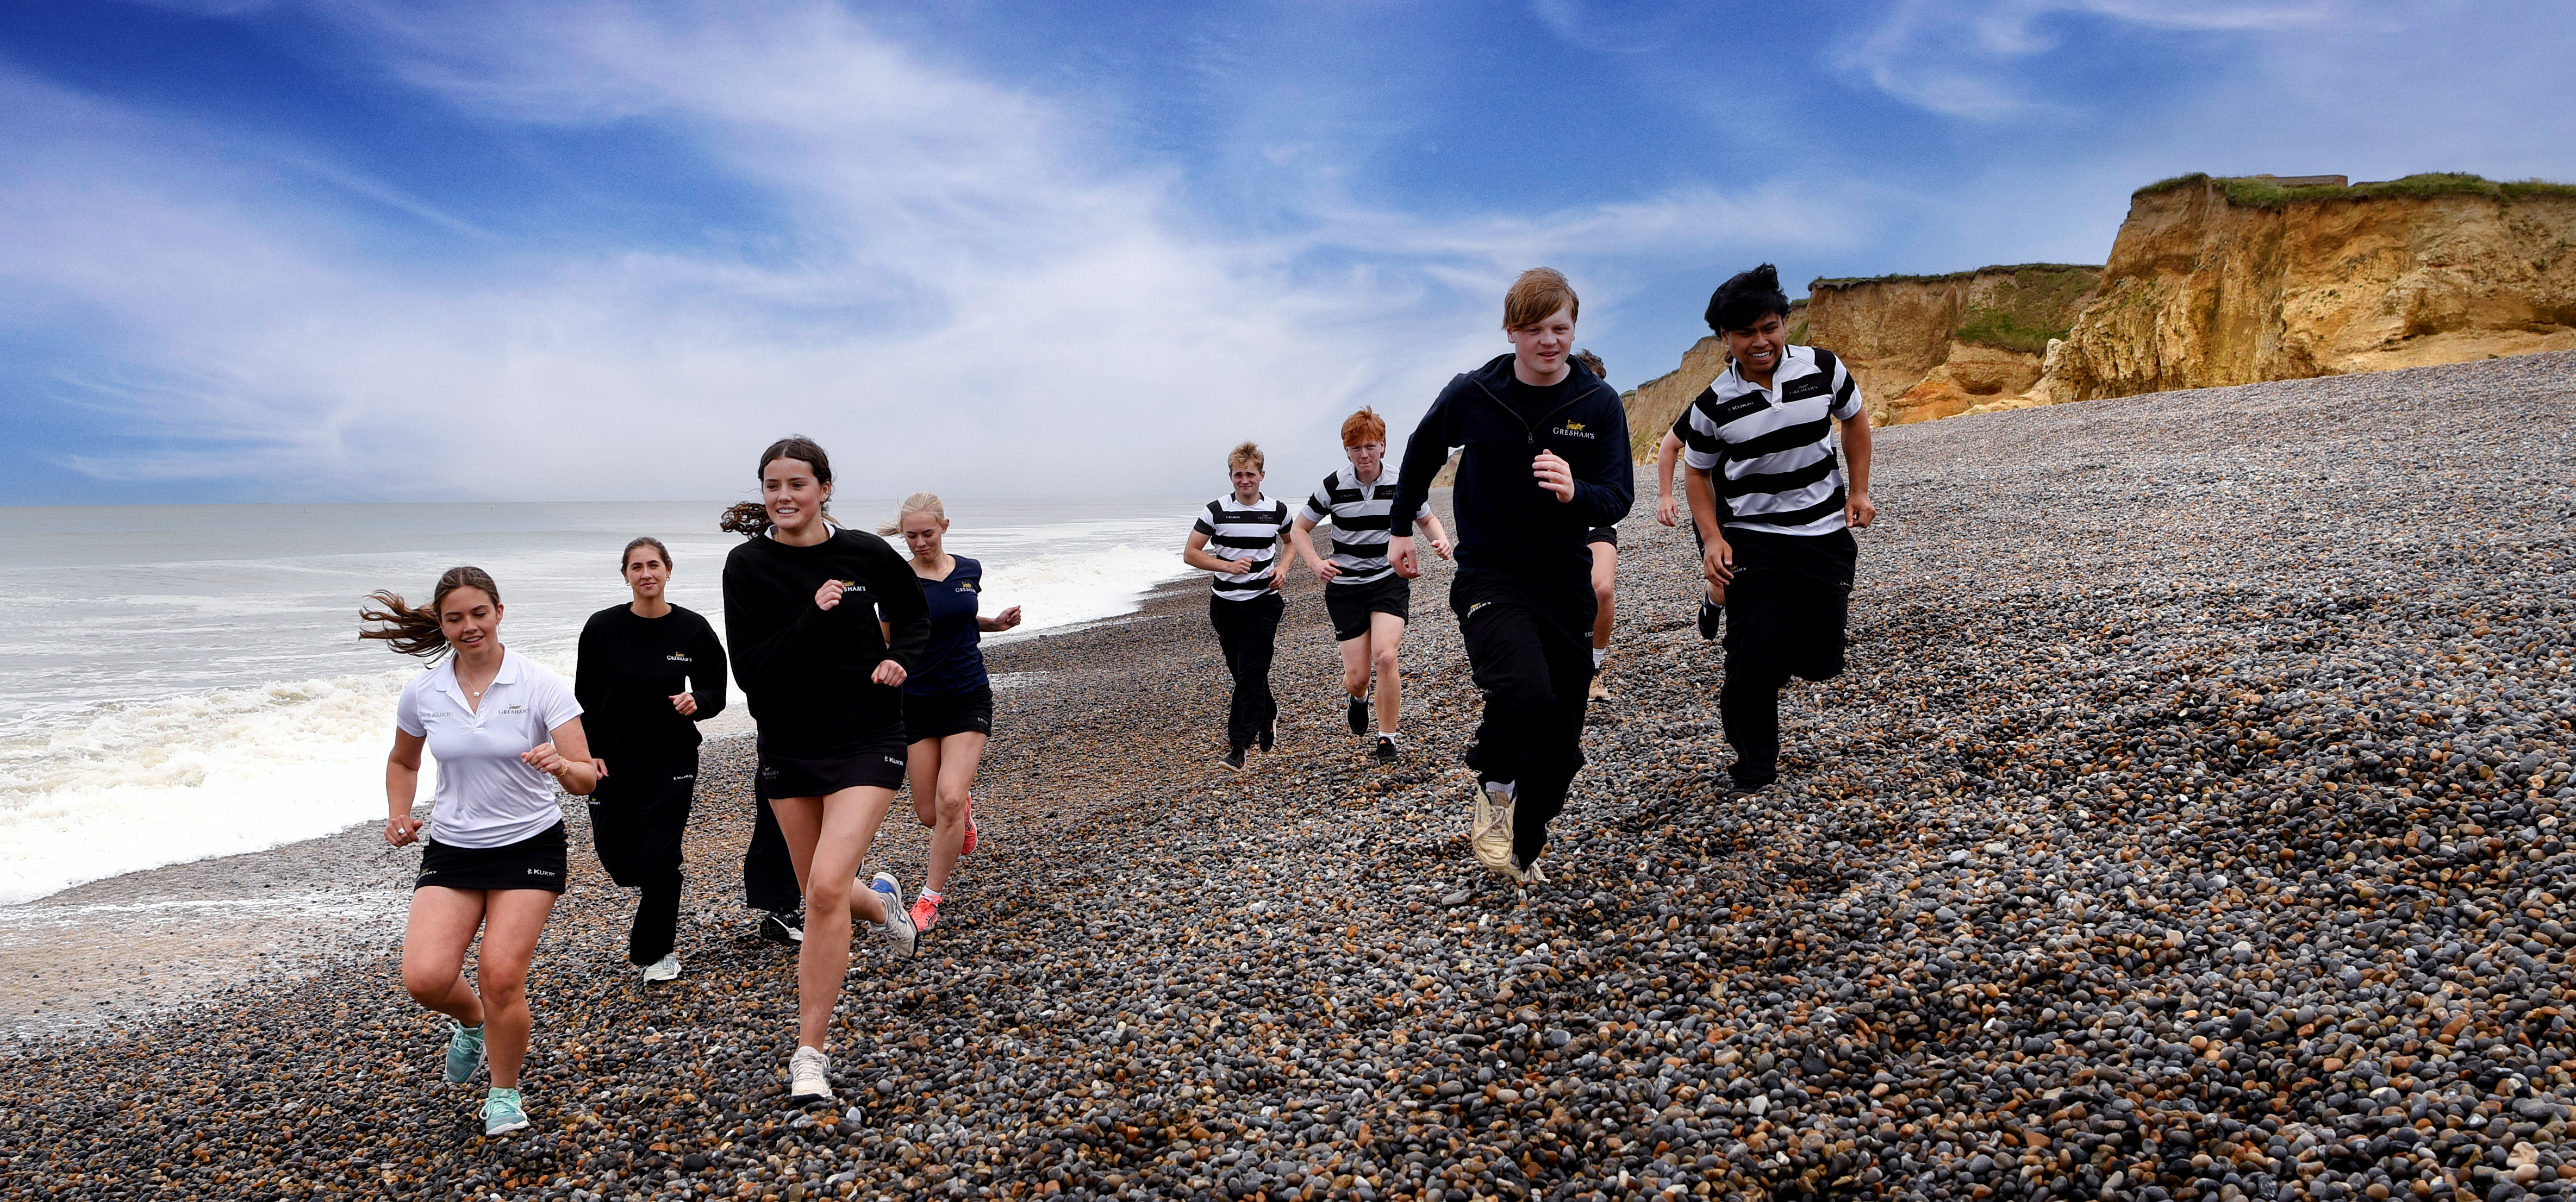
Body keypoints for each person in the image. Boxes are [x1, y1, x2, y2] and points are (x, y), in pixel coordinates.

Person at [1388, 268, 1632, 884]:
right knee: (1525, 693)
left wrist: (1577, 491)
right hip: (1490, 574)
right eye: (1534, 329)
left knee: (1562, 747)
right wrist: (1398, 529)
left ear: (1573, 329)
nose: (1549, 341)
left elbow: (1617, 496)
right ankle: (1495, 783)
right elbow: (1421, 451)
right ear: (1510, 331)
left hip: (1563, 580)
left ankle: (1524, 851)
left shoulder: (1596, 403)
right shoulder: (1474, 392)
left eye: (1560, 328)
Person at [719, 436, 929, 1105]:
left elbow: (914, 616)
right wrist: (813, 615)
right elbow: (750, 671)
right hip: (789, 744)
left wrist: (903, 660)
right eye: (772, 485)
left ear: (824, 489)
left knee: (825, 886)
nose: (783, 496)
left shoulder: (865, 552)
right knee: (823, 890)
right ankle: (887, 906)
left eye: (797, 484)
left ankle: (809, 1055)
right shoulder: (746, 566)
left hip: (869, 734)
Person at [365, 566, 597, 1138]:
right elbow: (403, 761)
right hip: (455, 846)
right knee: (424, 978)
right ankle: (471, 1023)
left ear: (498, 612)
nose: (469, 626)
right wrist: (399, 812)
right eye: (455, 618)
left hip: (529, 844)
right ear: (442, 625)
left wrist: (561, 764)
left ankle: (504, 1093)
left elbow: (587, 777)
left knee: (499, 976)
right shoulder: (425, 691)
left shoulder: (539, 684)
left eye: (478, 613)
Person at [1679, 264, 1875, 798]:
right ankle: (1754, 765)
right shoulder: (1712, 404)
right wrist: (1714, 538)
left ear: (1783, 323)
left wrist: (1857, 490)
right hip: (1754, 539)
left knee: (1819, 660)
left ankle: (1773, 652)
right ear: (1725, 338)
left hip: (1823, 532)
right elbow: (1694, 471)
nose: (1760, 342)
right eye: (1745, 333)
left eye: (1769, 327)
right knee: (1751, 656)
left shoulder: (1823, 369)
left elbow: (1854, 421)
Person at [574, 536, 729, 984]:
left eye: (654, 565)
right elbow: (583, 698)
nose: (646, 574)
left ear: (668, 570)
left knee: (660, 858)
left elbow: (716, 692)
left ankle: (657, 952)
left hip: (671, 759)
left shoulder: (692, 629)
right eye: (637, 566)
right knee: (618, 861)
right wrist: (589, 752)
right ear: (625, 574)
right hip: (613, 762)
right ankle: (661, 891)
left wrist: (695, 700)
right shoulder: (601, 628)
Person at [883, 493, 1022, 934]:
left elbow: (958, 619)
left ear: (945, 526)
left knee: (946, 800)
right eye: (911, 536)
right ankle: (963, 810)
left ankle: (929, 899)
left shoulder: (969, 570)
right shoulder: (897, 581)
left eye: (927, 533)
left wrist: (993, 624)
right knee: (929, 813)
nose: (920, 543)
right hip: (917, 700)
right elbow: (886, 643)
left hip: (967, 694)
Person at [1290, 409, 1452, 762]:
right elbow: (1298, 529)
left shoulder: (1400, 481)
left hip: (1387, 580)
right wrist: (1316, 563)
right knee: (1358, 676)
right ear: (1346, 451)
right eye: (1355, 448)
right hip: (1345, 587)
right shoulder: (1333, 485)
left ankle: (1386, 738)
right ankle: (1358, 697)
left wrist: (1439, 541)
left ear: (1383, 446)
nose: (1363, 455)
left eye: (1370, 446)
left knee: (1385, 655)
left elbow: (1426, 519)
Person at [1182, 441, 1294, 771]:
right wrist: (1227, 566)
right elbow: (1191, 553)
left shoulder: (1278, 511)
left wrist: (1284, 568)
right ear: (1231, 477)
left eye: (1250, 474)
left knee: (1251, 673)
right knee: (1242, 672)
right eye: (1238, 475)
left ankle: (1238, 746)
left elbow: (1291, 543)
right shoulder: (1216, 511)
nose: (1244, 480)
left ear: (1262, 475)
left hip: (1264, 602)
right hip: (1226, 605)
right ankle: (1269, 713)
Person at [1569, 350, 1620, 703]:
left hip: (1595, 522)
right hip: (1549, 530)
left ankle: (1593, 668)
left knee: (1600, 589)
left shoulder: (1605, 427)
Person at [1650, 419, 1726, 640]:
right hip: (1714, 507)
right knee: (1726, 580)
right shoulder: (1709, 404)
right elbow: (1669, 445)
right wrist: (1666, 496)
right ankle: (1713, 601)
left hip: (1758, 506)